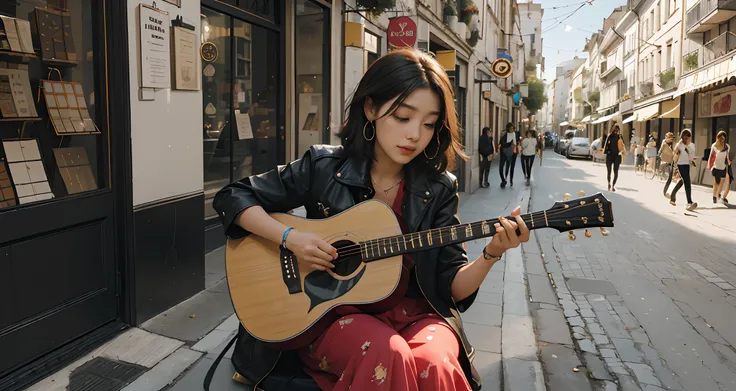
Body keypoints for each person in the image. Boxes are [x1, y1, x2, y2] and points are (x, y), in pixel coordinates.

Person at [213, 49, 530, 391]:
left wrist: (493, 253)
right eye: (403, 117)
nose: (415, 135)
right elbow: (233, 196)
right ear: (371, 109)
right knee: (386, 353)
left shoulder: (439, 188)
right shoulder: (324, 167)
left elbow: (452, 287)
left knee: (436, 363)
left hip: (415, 315)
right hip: (330, 314)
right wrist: (290, 237)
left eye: (428, 123)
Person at [670, 129, 698, 211]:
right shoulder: (680, 145)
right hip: (680, 164)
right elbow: (674, 153)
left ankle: (673, 195)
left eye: (687, 138)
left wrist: (692, 161)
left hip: (687, 165)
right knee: (687, 181)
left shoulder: (692, 145)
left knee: (683, 181)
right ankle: (689, 202)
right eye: (684, 138)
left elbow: (692, 155)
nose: (686, 139)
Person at [708, 130, 731, 204]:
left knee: (723, 180)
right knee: (716, 182)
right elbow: (711, 156)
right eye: (721, 138)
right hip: (716, 166)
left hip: (723, 167)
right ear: (718, 138)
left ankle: (718, 194)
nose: (722, 140)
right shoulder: (714, 146)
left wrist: (728, 161)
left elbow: (727, 156)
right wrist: (710, 166)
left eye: (724, 139)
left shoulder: (727, 146)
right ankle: (714, 196)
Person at [602, 124, 625, 191]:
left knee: (616, 171)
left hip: (617, 156)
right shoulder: (610, 136)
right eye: (615, 129)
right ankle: (609, 183)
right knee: (609, 171)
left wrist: (622, 151)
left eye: (617, 129)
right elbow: (605, 146)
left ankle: (613, 185)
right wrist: (607, 152)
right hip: (609, 156)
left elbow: (623, 146)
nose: (616, 131)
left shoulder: (620, 137)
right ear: (613, 129)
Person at [498, 123, 518, 187]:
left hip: (513, 153)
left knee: (511, 167)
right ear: (508, 128)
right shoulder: (504, 136)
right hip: (504, 153)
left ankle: (511, 180)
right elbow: (502, 144)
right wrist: (510, 143)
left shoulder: (516, 134)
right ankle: (503, 180)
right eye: (511, 128)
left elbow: (517, 142)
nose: (512, 130)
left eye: (513, 128)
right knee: (501, 167)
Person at [659, 132, 676, 198]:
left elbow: (675, 151)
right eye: (670, 139)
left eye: (672, 139)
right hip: (665, 160)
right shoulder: (664, 143)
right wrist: (658, 155)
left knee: (671, 178)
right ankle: (666, 192)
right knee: (669, 178)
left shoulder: (673, 143)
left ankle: (668, 192)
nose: (671, 140)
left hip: (672, 161)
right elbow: (660, 150)